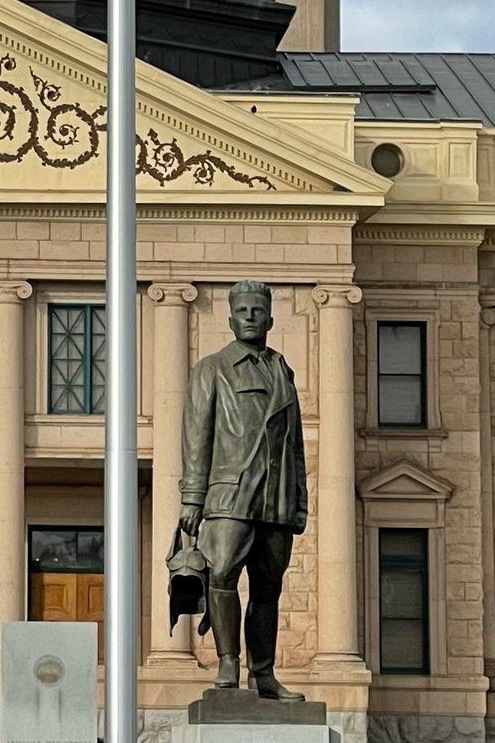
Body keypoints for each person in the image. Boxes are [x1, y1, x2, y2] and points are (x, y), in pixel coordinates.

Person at [178, 280, 308, 699]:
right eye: (243, 311)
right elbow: (196, 436)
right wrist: (193, 497)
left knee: (268, 589)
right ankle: (228, 665)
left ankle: (263, 675)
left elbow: (296, 444)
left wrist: (299, 501)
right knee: (221, 578)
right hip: (230, 496)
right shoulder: (212, 369)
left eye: (258, 310)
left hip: (276, 499)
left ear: (270, 318)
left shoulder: (282, 372)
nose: (251, 316)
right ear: (231, 319)